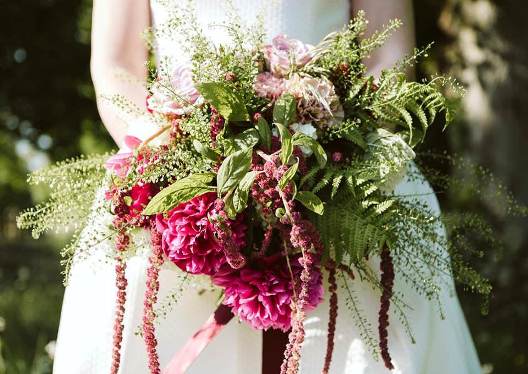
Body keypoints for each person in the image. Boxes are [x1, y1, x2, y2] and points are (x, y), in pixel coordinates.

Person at [53, 1, 481, 373]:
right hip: (174, 168)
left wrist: (333, 154)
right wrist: (177, 160)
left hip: (339, 167)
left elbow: (388, 51)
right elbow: (115, 66)